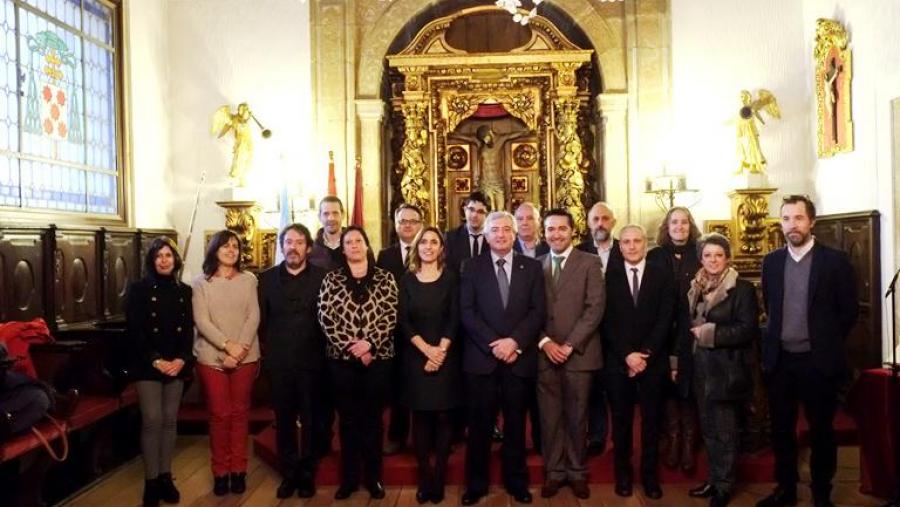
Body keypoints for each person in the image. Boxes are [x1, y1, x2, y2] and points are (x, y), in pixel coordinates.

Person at [757, 195, 857, 507]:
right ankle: (786, 489)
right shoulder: (772, 262)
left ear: (811, 221)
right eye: (786, 219)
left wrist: (824, 343)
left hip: (818, 362)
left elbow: (849, 312)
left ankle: (821, 494)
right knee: (782, 431)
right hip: (781, 362)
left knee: (821, 431)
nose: (792, 225)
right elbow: (771, 307)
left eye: (798, 218)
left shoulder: (835, 261)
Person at [459, 211, 545, 506]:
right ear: (485, 234)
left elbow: (537, 312)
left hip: (518, 360)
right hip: (482, 359)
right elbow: (467, 312)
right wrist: (494, 344)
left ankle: (517, 482)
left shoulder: (532, 267)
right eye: (495, 230)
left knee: (516, 426)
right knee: (479, 426)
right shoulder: (470, 267)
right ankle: (476, 485)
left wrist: (514, 343)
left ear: (515, 233)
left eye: (507, 229)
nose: (501, 234)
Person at [675, 233, 759, 507]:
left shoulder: (742, 288)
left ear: (727, 258)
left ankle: (725, 485)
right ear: (701, 258)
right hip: (700, 368)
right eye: (708, 255)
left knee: (725, 430)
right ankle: (714, 479)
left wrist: (710, 333)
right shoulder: (695, 286)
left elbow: (748, 330)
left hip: (727, 369)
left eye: (718, 255)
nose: (713, 260)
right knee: (708, 429)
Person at [318, 226, 399, 500]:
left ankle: (374, 478)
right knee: (348, 421)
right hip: (342, 361)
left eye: (358, 240)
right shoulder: (331, 279)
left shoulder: (386, 278)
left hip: (378, 360)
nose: (353, 245)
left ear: (367, 245)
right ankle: (349, 479)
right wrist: (353, 348)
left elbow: (390, 314)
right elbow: (326, 318)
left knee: (374, 421)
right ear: (343, 249)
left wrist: (370, 345)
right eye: (348, 242)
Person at [535, 209, 605, 500]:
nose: (556, 234)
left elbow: (595, 308)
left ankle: (577, 472)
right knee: (550, 418)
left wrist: (569, 344)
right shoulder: (535, 266)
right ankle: (554, 473)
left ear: (572, 231)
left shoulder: (590, 262)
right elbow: (527, 312)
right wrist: (545, 343)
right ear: (544, 233)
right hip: (544, 354)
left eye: (562, 228)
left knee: (577, 416)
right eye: (550, 229)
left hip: (580, 353)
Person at [603, 224, 675, 500]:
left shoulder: (661, 273)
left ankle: (649, 477)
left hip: (652, 361)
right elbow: (606, 320)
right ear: (620, 246)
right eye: (627, 242)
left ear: (646, 244)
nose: (632, 246)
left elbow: (666, 316)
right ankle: (623, 476)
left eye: (637, 241)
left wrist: (646, 353)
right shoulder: (609, 276)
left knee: (651, 422)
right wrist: (627, 355)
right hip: (619, 362)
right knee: (620, 422)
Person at [257, 223, 327, 499]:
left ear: (308, 248)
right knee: (284, 420)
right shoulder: (267, 279)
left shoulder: (324, 277)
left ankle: (308, 472)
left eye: (299, 242)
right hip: (281, 361)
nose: (293, 247)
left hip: (313, 362)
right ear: (282, 246)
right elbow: (261, 321)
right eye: (288, 242)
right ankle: (289, 473)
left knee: (312, 421)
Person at [125, 237, 194, 507]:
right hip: (147, 364)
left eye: (168, 255)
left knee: (169, 421)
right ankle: (151, 481)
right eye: (159, 256)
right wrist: (155, 360)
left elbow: (188, 329)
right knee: (152, 419)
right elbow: (135, 332)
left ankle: (166, 476)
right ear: (151, 261)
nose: (164, 260)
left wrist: (181, 359)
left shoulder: (184, 291)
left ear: (175, 260)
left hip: (176, 363)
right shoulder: (139, 290)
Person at [192, 230, 260, 496]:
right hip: (212, 358)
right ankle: (220, 472)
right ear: (214, 250)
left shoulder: (249, 280)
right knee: (220, 415)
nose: (231, 250)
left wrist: (240, 349)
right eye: (225, 246)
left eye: (235, 246)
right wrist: (227, 346)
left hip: (245, 356)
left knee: (240, 414)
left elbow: (253, 316)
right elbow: (202, 321)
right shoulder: (201, 282)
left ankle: (238, 470)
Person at [398, 226, 463, 504]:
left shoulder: (451, 279)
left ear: (441, 248)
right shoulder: (407, 280)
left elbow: (454, 318)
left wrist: (440, 352)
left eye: (433, 242)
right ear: (416, 247)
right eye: (423, 242)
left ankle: (439, 480)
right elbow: (403, 321)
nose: (427, 246)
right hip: (415, 358)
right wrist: (427, 350)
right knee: (421, 420)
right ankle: (425, 479)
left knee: (445, 418)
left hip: (446, 356)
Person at [647, 206, 703, 474]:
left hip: (692, 330)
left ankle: (689, 445)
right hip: (662, 330)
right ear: (666, 227)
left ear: (690, 226)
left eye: (684, 222)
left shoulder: (701, 254)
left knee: (688, 388)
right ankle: (673, 439)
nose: (679, 227)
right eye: (674, 223)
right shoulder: (656, 255)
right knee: (667, 387)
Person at [377, 203, 424, 456]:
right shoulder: (385, 256)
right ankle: (396, 435)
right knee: (396, 388)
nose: (407, 225)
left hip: (425, 330)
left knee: (424, 386)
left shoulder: (431, 251)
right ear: (395, 225)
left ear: (420, 224)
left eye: (412, 221)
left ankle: (424, 438)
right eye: (402, 221)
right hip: (394, 332)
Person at [578, 201, 621, 455]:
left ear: (613, 222)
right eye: (595, 219)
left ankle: (619, 436)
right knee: (592, 388)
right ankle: (596, 436)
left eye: (605, 219)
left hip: (617, 331)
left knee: (616, 388)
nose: (600, 224)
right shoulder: (580, 251)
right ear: (588, 223)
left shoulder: (625, 249)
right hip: (589, 333)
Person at [512, 201, 546, 452]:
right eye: (520, 219)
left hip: (544, 334)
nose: (525, 223)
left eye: (529, 218)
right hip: (514, 336)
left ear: (538, 222)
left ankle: (541, 439)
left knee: (540, 396)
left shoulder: (550, 247)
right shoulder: (504, 248)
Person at [449, 126, 531, 212]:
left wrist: (524, 131)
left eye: (486, 137)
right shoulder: (479, 143)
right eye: (483, 139)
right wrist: (453, 134)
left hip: (498, 182)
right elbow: (468, 138)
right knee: (490, 210)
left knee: (501, 209)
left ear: (490, 133)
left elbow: (511, 136)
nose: (485, 140)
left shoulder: (500, 140)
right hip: (486, 183)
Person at [445, 191, 491, 273]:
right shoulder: (451, 238)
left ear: (487, 215)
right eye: (471, 209)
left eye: (480, 212)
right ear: (465, 209)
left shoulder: (493, 238)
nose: (474, 215)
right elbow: (448, 271)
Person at [310, 196, 346, 271]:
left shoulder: (357, 245)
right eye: (326, 214)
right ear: (319, 217)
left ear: (342, 215)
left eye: (335, 213)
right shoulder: (311, 249)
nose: (331, 218)